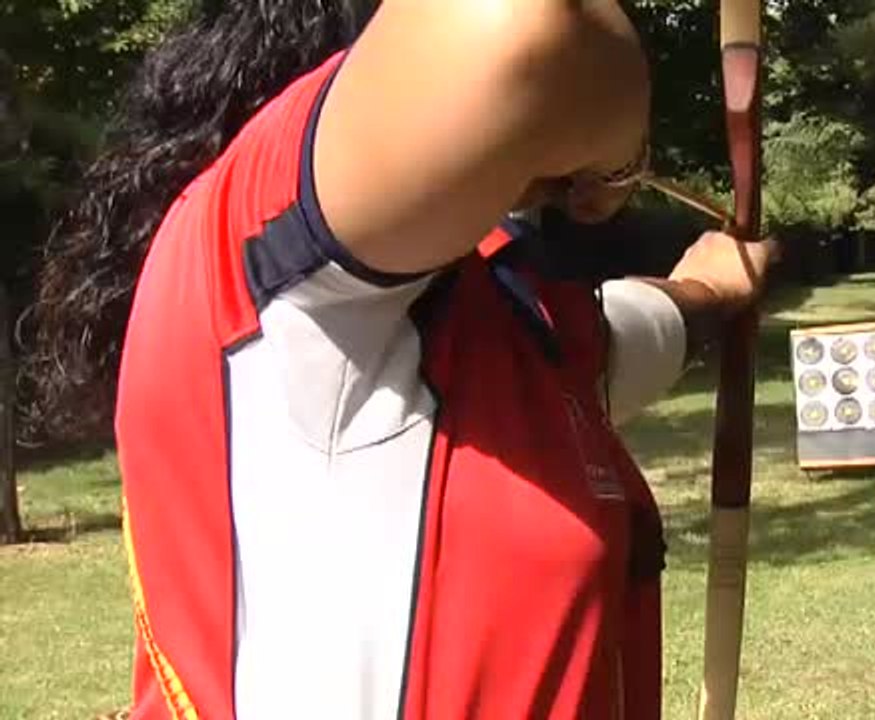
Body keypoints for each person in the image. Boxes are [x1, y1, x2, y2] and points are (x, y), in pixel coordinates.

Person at [33, 1, 777, 718]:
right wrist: (616, 165)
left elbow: (624, 335)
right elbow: (524, 28)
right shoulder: (244, 244)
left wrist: (710, 290)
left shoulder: (507, 321)